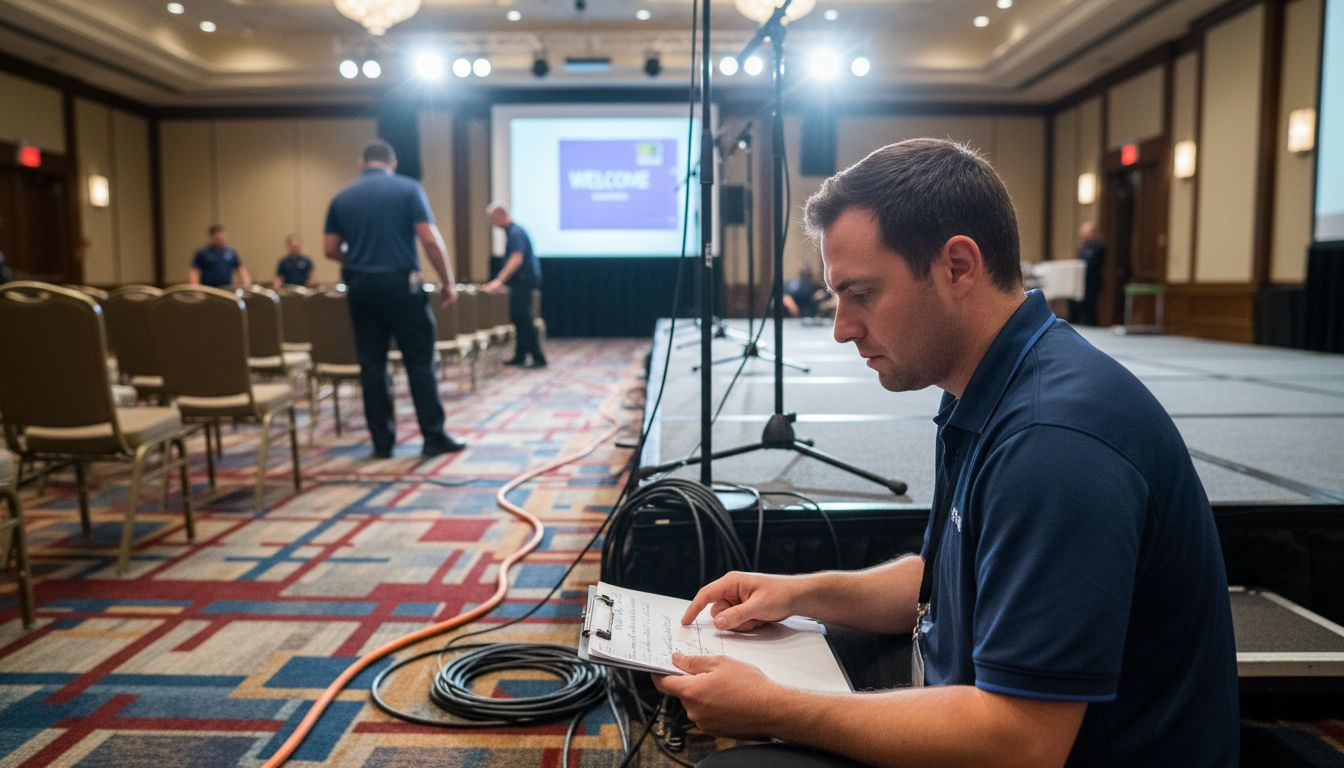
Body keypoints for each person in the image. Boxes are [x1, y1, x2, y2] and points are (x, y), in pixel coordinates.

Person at [653, 139, 1238, 767]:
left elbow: (1022, 743)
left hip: (1031, 742)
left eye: (863, 294)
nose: (842, 327)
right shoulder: (997, 380)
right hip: (993, 708)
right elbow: (943, 583)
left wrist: (775, 708)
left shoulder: (1053, 445)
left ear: (958, 267)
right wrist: (799, 591)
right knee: (806, 643)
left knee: (739, 765)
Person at [323, 140, 465, 460]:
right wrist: (448, 282)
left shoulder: (342, 197)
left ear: (362, 164)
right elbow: (429, 239)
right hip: (401, 285)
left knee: (372, 365)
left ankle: (382, 442)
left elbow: (330, 249)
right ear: (393, 163)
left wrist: (358, 256)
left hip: (359, 286)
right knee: (419, 361)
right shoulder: (408, 190)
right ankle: (432, 436)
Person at [483, 202, 546, 368]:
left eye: (492, 218)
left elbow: (516, 259)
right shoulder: (512, 232)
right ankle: (520, 355)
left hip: (523, 280)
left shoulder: (515, 233)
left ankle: (538, 357)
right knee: (518, 318)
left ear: (501, 215)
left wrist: (499, 280)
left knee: (523, 318)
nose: (491, 223)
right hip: (522, 280)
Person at [1072, 221, 1105, 326]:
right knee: (1079, 307)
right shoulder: (1083, 246)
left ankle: (1092, 325)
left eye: (1085, 231)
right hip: (1080, 281)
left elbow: (1092, 262)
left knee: (1090, 307)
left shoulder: (1098, 246)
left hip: (1092, 281)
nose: (1083, 234)